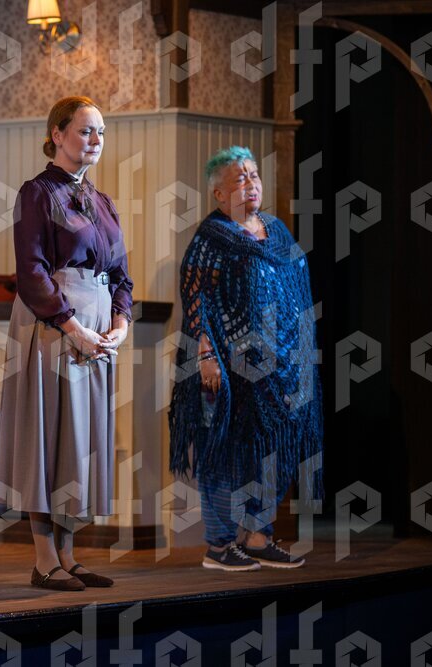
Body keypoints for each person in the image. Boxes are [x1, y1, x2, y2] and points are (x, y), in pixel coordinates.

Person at [0, 96, 133, 591]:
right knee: (47, 439)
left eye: (101, 132)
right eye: (85, 130)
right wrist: (73, 327)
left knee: (79, 442)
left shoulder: (103, 201)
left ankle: (69, 557)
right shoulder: (37, 193)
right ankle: (44, 559)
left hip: (97, 328)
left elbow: (121, 274)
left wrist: (121, 323)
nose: (95, 140)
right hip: (52, 324)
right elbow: (30, 271)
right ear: (57, 134)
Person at [168, 146, 322, 572]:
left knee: (272, 449)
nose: (251, 183)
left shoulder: (277, 232)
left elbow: (298, 293)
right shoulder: (211, 239)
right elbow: (196, 302)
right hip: (227, 367)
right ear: (219, 194)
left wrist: (299, 352)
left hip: (280, 368)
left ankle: (258, 535)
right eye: (240, 178)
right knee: (223, 453)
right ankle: (219, 546)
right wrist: (206, 356)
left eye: (254, 175)